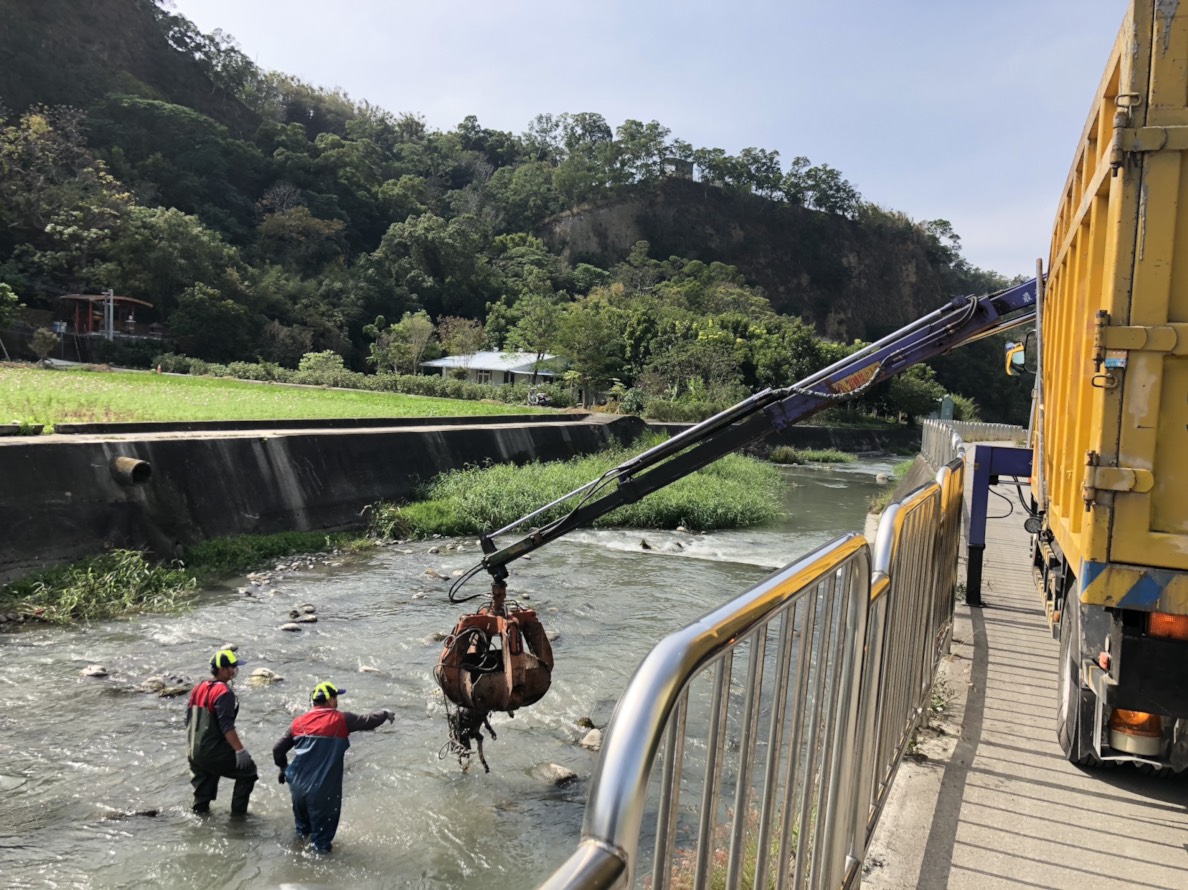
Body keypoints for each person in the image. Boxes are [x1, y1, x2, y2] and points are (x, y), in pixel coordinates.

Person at [273, 681, 395, 853]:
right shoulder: (341, 719)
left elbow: (277, 750)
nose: (337, 701)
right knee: (321, 845)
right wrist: (384, 713)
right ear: (330, 700)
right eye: (336, 697)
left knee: (302, 833)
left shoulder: (298, 722)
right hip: (322, 791)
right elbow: (368, 721)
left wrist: (283, 769)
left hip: (297, 787)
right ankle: (318, 877)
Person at [184, 649, 258, 815]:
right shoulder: (224, 692)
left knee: (203, 789)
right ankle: (238, 821)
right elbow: (227, 726)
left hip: (194, 751)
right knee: (248, 772)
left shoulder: (198, 687)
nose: (235, 670)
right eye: (232, 667)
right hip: (212, 750)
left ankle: (200, 818)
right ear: (223, 670)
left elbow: (187, 719)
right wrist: (240, 751)